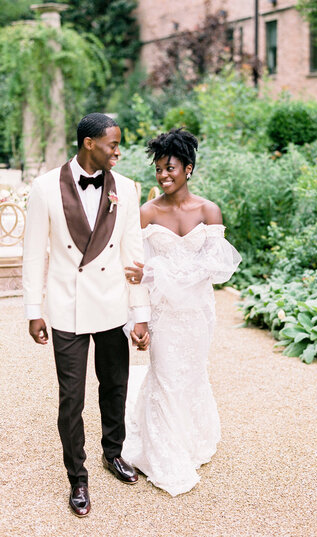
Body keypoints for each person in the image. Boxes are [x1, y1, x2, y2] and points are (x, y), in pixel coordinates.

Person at [22, 113, 150, 517]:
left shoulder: (127, 189)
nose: (119, 150)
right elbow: (32, 255)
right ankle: (77, 478)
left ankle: (113, 453)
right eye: (113, 143)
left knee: (115, 387)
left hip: (113, 304)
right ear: (89, 143)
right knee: (71, 398)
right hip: (66, 307)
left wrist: (141, 312)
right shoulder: (44, 187)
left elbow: (135, 254)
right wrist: (33, 310)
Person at [122, 128, 241, 496]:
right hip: (163, 315)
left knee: (191, 376)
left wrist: (156, 271)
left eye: (170, 168)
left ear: (188, 168)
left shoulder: (208, 211)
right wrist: (137, 319)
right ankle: (165, 453)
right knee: (166, 377)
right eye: (158, 169)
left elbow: (214, 268)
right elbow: (135, 272)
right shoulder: (146, 213)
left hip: (196, 315)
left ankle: (191, 438)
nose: (163, 176)